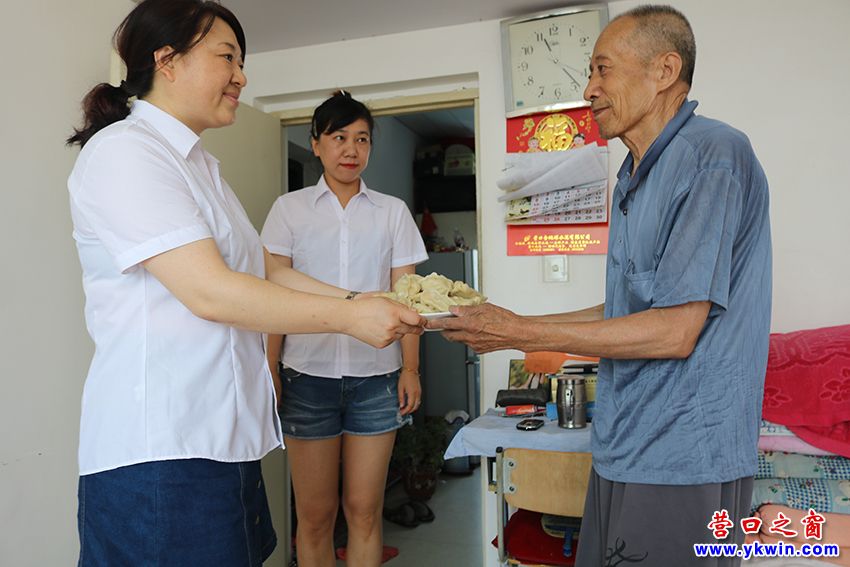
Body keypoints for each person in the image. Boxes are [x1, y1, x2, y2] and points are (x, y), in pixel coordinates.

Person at [65, 2, 424, 565]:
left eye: (241, 61)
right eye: (227, 57)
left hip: (224, 442)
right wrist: (351, 317)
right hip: (162, 451)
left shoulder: (202, 168)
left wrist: (365, 299)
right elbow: (210, 291)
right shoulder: (126, 152)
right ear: (168, 61)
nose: (242, 77)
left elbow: (266, 272)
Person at [435, 5, 771, 566]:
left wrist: (517, 332)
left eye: (602, 69)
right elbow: (621, 308)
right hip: (624, 441)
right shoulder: (633, 177)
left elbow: (674, 331)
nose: (588, 89)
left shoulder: (712, 156)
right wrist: (504, 323)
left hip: (682, 452)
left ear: (664, 70)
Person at [260, 91, 429, 567]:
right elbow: (276, 295)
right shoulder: (288, 209)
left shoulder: (392, 212)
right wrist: (270, 366)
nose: (351, 150)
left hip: (376, 379)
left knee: (364, 511)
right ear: (316, 144)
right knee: (315, 516)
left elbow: (408, 299)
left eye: (362, 139)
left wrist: (410, 369)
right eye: (339, 138)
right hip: (305, 377)